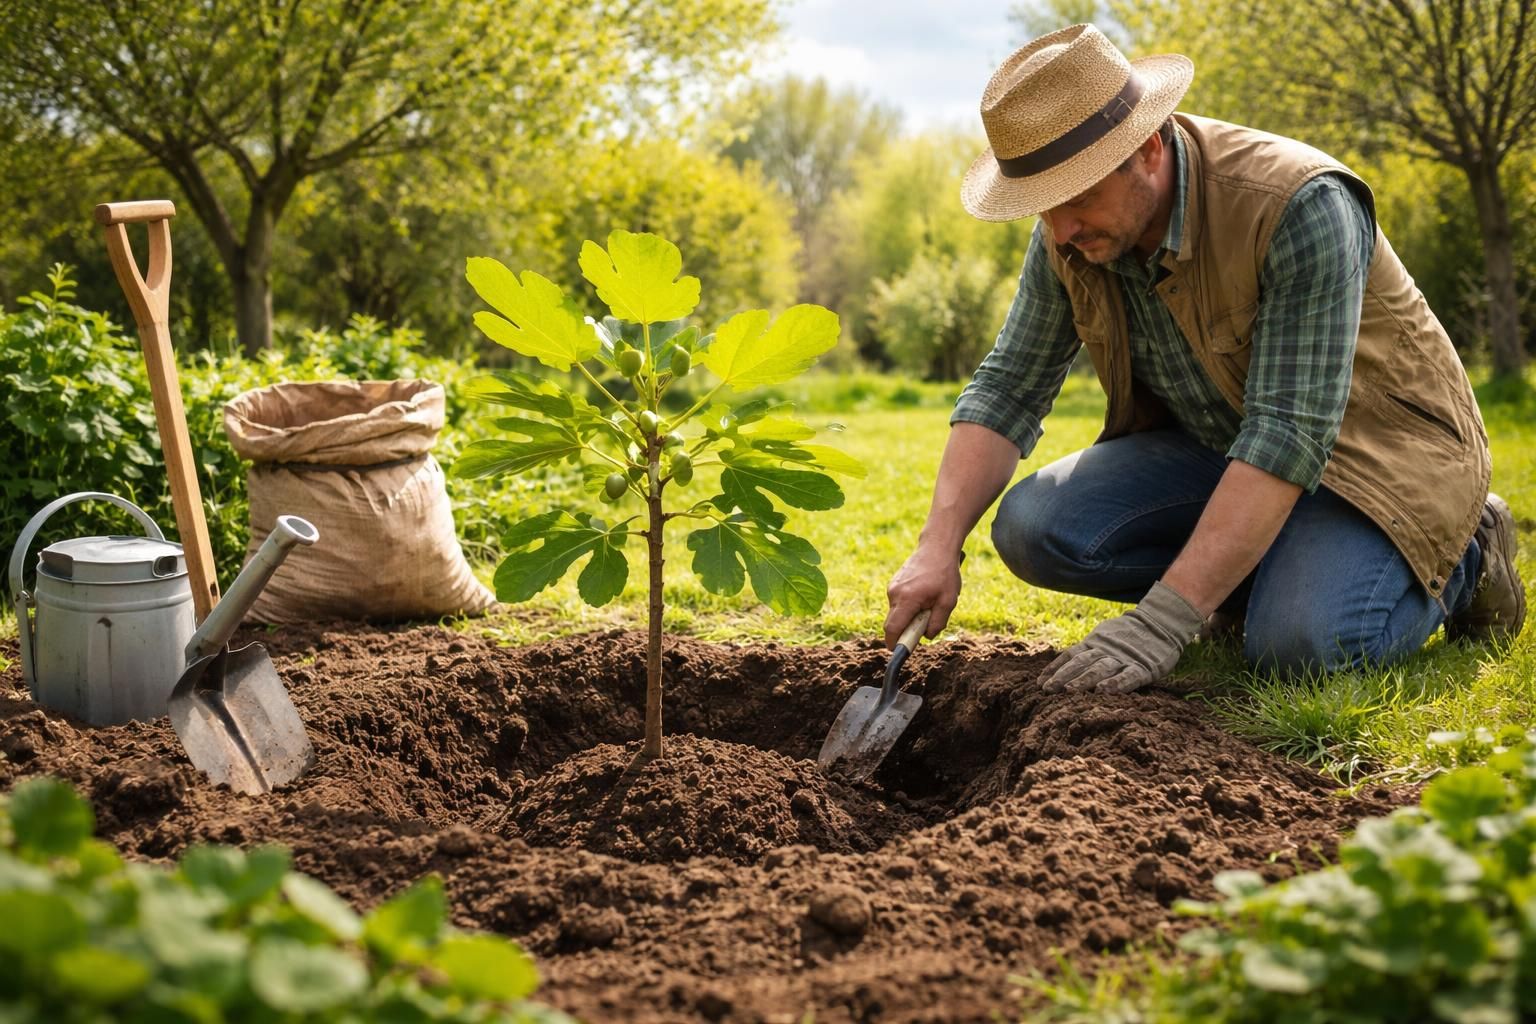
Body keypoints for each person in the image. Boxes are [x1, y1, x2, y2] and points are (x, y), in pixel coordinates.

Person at [884, 23, 1525, 694]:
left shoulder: (1299, 204)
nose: (1061, 231)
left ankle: (1466, 553)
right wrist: (937, 547)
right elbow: (1008, 388)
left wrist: (1164, 621)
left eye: (1078, 198)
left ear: (1148, 149)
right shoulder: (1071, 236)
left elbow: (1288, 432)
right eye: (1042, 209)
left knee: (1298, 649)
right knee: (1035, 528)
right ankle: (1259, 569)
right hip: (1224, 447)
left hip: (1378, 460)